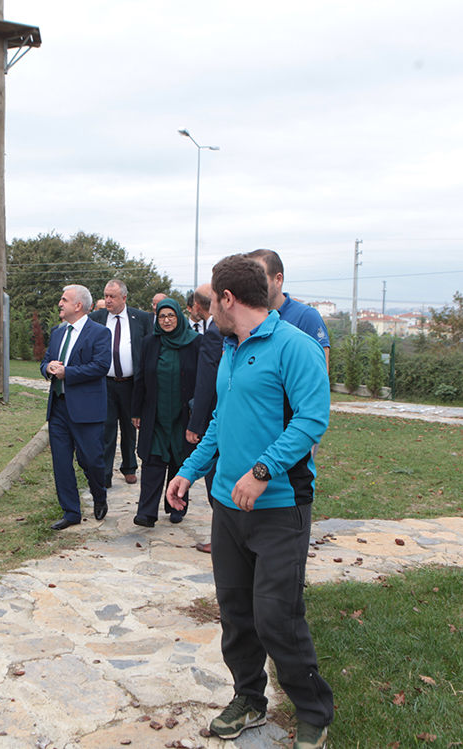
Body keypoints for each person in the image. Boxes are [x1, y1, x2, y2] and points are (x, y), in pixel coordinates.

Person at [165, 254, 333, 748]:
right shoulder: (230, 346)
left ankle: (313, 712)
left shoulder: (294, 347)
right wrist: (189, 472)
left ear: (228, 298)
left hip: (280, 506)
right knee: (237, 614)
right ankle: (249, 699)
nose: (205, 309)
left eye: (209, 300)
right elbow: (221, 418)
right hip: (226, 507)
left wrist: (262, 471)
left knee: (277, 616)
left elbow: (311, 420)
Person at [40, 284, 112, 530]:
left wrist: (66, 372)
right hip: (58, 408)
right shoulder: (57, 332)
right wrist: (48, 368)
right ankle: (71, 512)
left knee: (91, 461)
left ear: (78, 305)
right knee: (61, 461)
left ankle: (99, 495)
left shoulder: (99, 333)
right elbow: (45, 360)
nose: (59, 303)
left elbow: (100, 366)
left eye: (64, 300)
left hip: (87, 409)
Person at [131, 298, 202, 527]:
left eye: (171, 315)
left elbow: (203, 381)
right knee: (153, 459)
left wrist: (199, 414)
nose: (167, 320)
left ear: (179, 317)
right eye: (162, 316)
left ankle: (177, 506)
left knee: (179, 458)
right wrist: (136, 410)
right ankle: (146, 512)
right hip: (156, 413)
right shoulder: (150, 342)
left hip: (183, 415)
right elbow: (140, 377)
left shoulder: (195, 342)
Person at [88, 280, 154, 488]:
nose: (107, 300)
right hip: (105, 383)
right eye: (106, 295)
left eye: (112, 296)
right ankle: (105, 473)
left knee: (129, 426)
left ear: (124, 298)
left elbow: (149, 348)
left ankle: (129, 467)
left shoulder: (141, 318)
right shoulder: (96, 318)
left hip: (131, 383)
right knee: (106, 429)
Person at [185, 283, 223, 554]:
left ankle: (221, 538)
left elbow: (206, 382)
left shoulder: (213, 333)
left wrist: (196, 424)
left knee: (213, 477)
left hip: (214, 418)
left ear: (197, 306)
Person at [247, 248, 330, 369]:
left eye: (259, 279)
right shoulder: (244, 318)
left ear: (278, 280)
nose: (252, 286)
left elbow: (320, 373)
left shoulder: (306, 317)